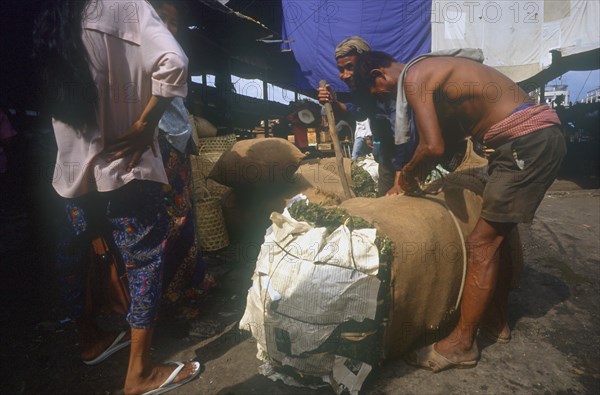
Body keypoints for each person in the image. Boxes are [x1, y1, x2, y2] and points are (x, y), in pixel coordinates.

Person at [354, 50, 566, 372]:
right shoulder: (435, 75)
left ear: (378, 76)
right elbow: (446, 143)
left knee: (482, 243)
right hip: (520, 143)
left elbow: (433, 147)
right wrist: (411, 178)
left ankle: (461, 345)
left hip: (527, 143)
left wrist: (408, 176)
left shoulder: (416, 77)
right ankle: (495, 320)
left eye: (378, 95)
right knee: (496, 231)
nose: (384, 101)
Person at [33, 1, 200, 394]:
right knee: (143, 264)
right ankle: (139, 374)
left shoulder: (55, 16)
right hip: (126, 171)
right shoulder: (124, 5)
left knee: (73, 258)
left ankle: (90, 341)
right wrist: (146, 124)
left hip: (72, 175)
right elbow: (174, 60)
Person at [149, 0, 206, 304]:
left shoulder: (172, 56)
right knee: (168, 221)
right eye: (162, 19)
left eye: (174, 23)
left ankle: (188, 283)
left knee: (185, 217)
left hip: (176, 145)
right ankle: (167, 293)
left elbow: (177, 105)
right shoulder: (139, 56)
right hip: (156, 145)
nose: (169, 28)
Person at [317, 36, 412, 196]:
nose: (345, 75)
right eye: (341, 70)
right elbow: (360, 113)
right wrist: (333, 102)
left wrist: (399, 180)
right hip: (388, 152)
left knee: (405, 202)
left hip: (410, 154)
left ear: (365, 64)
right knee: (384, 198)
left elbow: (404, 137)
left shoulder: (388, 85)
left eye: (349, 67)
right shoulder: (362, 90)